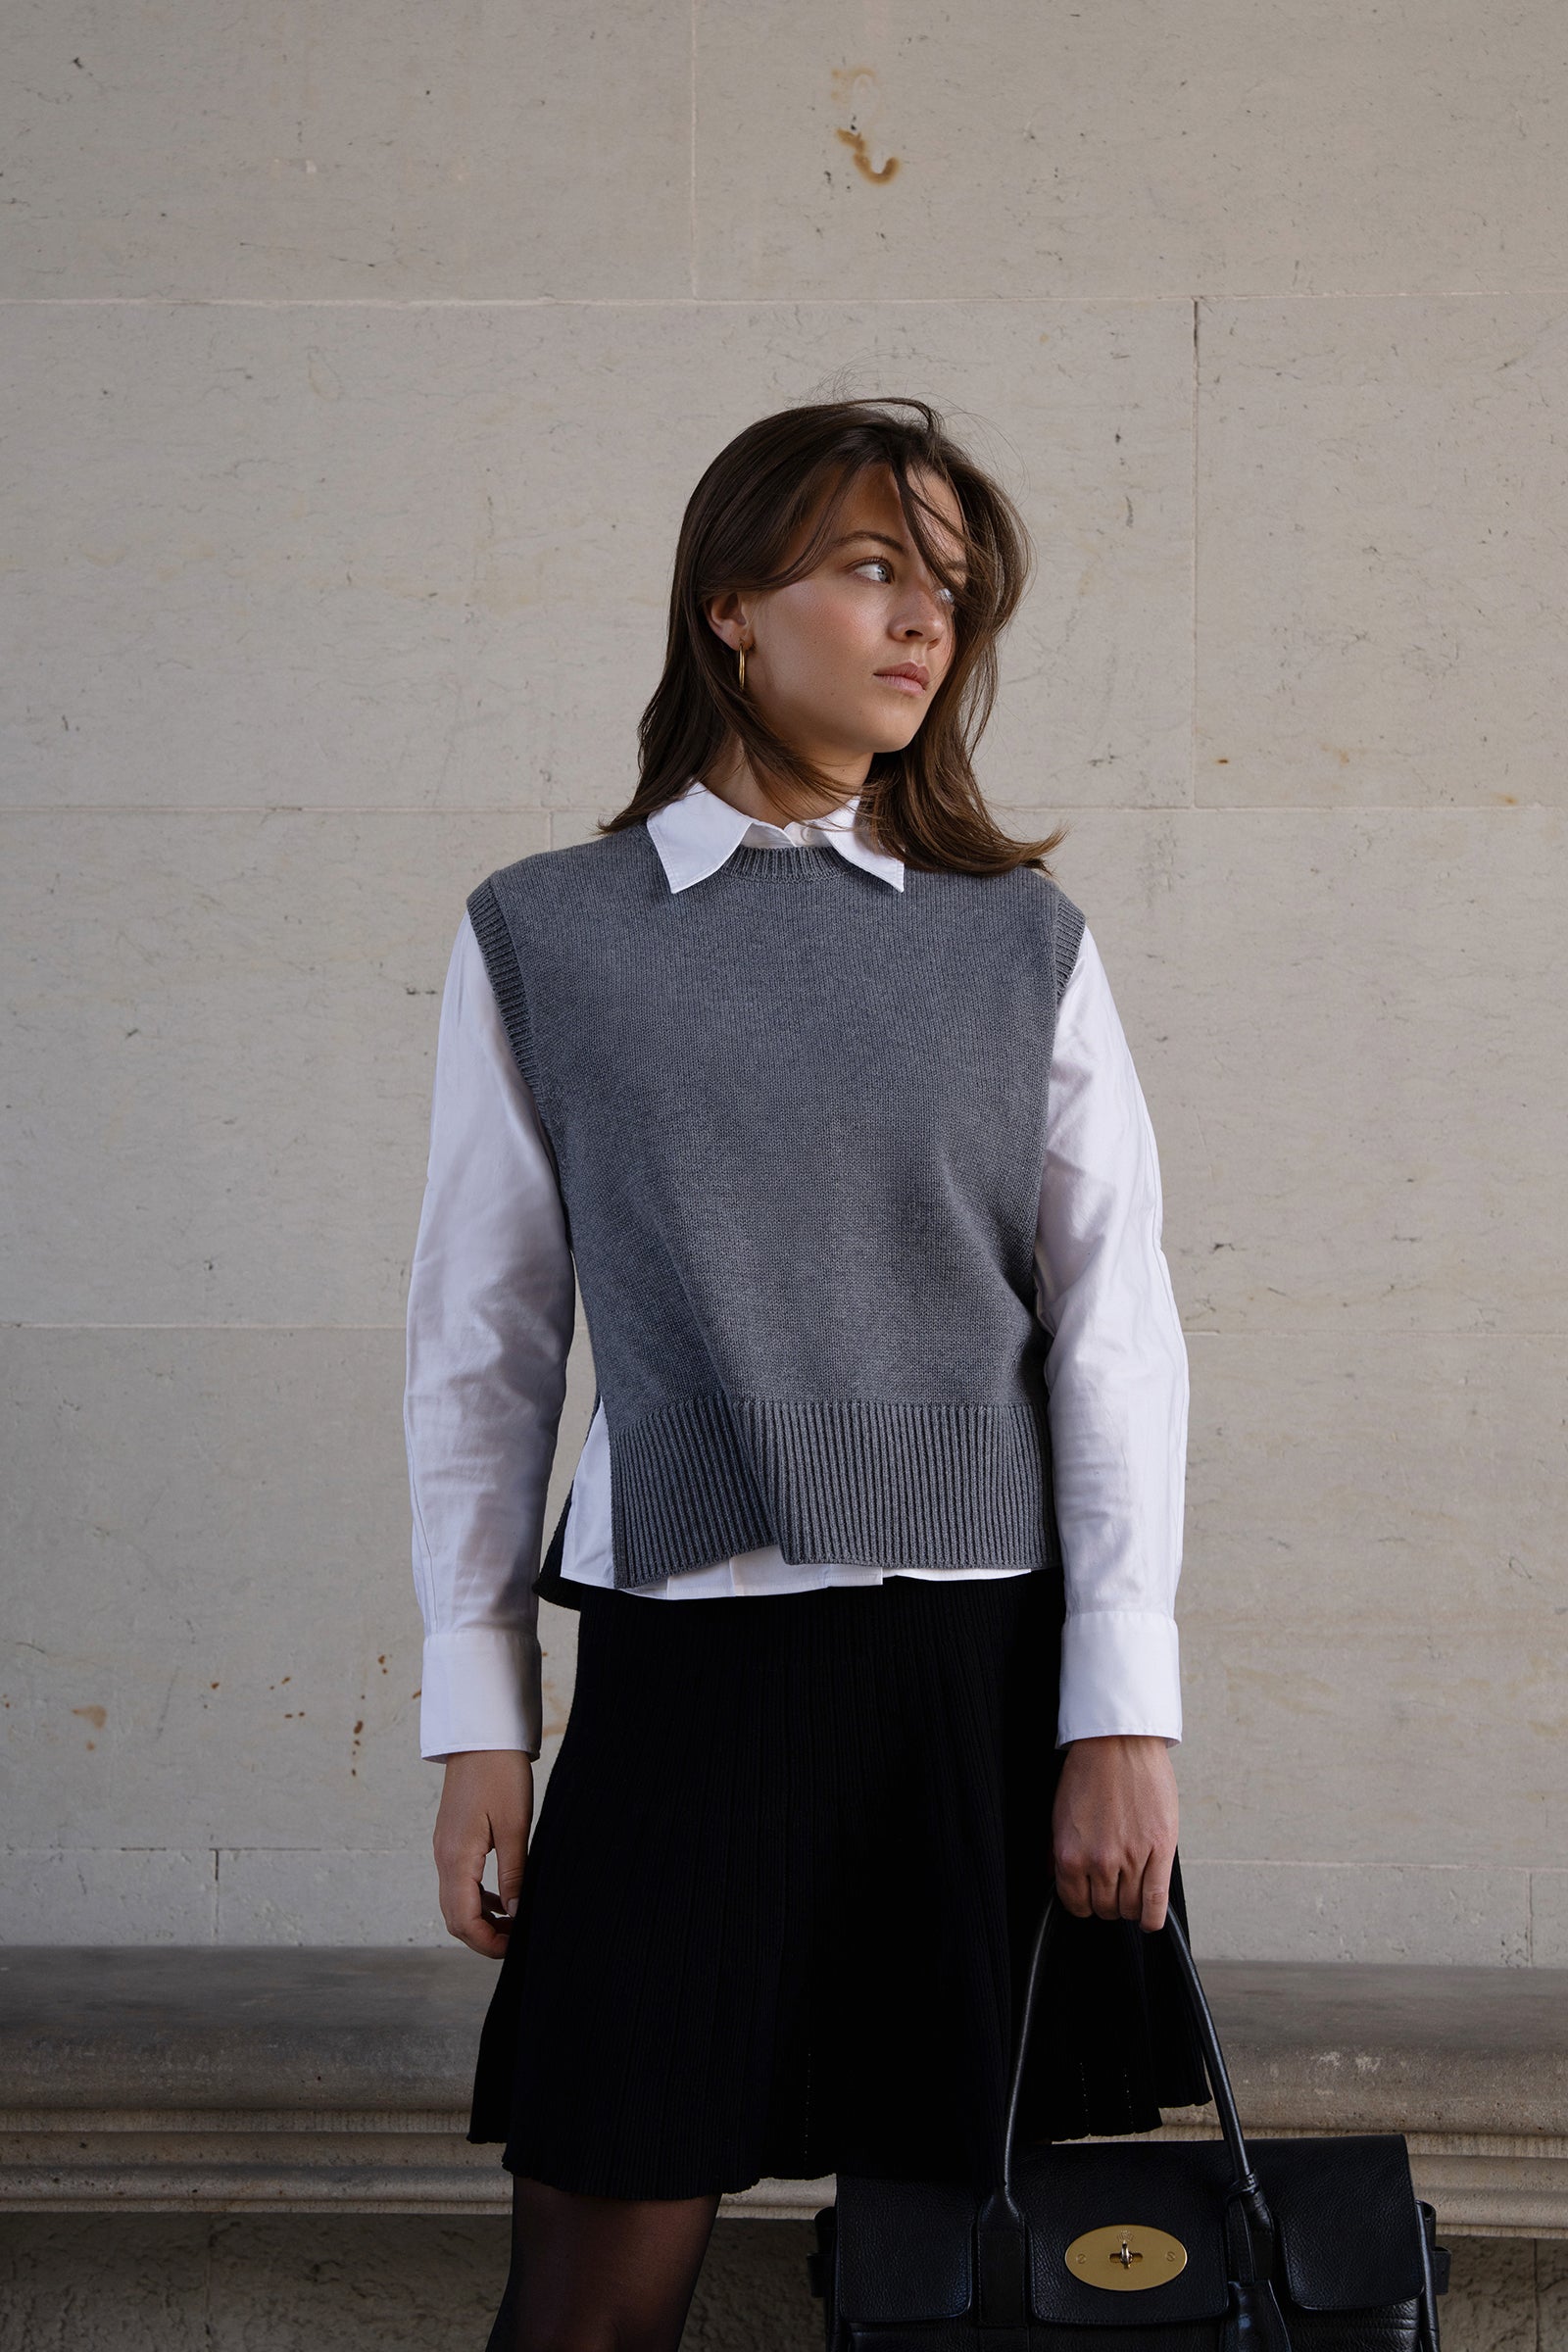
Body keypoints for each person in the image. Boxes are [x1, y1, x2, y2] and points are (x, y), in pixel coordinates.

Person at [403, 396, 1208, 2352]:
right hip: (691, 1678)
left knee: (964, 2308)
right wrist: (476, 1714)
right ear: (725, 610)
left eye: (947, 586)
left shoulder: (1017, 943)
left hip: (980, 1689)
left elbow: (1115, 1336)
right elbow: (481, 1338)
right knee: (586, 2310)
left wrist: (1121, 1712)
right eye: (869, 567)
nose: (919, 621)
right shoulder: (548, 934)